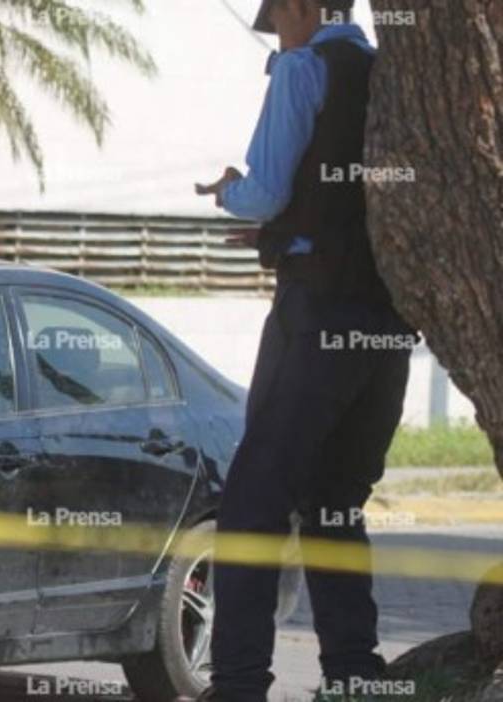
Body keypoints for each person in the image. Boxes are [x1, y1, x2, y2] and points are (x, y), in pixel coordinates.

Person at [195, 1, 415, 699]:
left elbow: (264, 192)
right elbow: (344, 202)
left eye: (279, 16)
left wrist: (234, 193)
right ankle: (354, 672)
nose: (277, 32)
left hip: (316, 315)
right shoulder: (390, 73)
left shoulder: (302, 68)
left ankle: (237, 684)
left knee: (252, 508)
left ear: (299, 7)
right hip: (384, 327)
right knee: (336, 504)